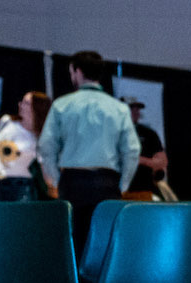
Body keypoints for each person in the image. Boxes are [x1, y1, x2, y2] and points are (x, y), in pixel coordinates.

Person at [35, 51, 138, 258]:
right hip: (107, 182)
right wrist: (123, 183)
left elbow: (46, 146)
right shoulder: (118, 108)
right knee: (106, 242)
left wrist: (56, 178)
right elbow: (131, 150)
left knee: (73, 243)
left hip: (73, 181)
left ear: (77, 71)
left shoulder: (62, 105)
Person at [0, 92, 50, 203]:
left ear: (37, 107)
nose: (21, 105)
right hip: (1, 182)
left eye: (26, 103)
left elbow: (44, 167)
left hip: (23, 185)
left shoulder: (40, 137)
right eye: (22, 102)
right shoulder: (8, 122)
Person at [124, 96, 169, 199]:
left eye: (137, 109)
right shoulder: (114, 133)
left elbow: (162, 162)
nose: (136, 112)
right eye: (132, 109)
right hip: (119, 189)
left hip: (144, 189)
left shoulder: (148, 133)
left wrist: (139, 160)